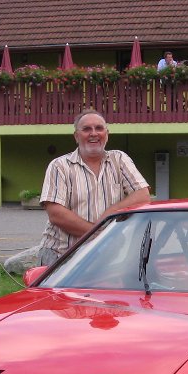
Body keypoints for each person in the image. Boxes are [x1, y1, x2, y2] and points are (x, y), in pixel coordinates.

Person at [36, 110, 151, 266]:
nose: (94, 133)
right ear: (76, 136)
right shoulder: (59, 166)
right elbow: (56, 214)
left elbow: (143, 195)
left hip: (103, 254)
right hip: (62, 255)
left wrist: (108, 215)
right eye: (87, 129)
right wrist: (100, 233)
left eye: (99, 128)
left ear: (107, 134)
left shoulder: (119, 159)